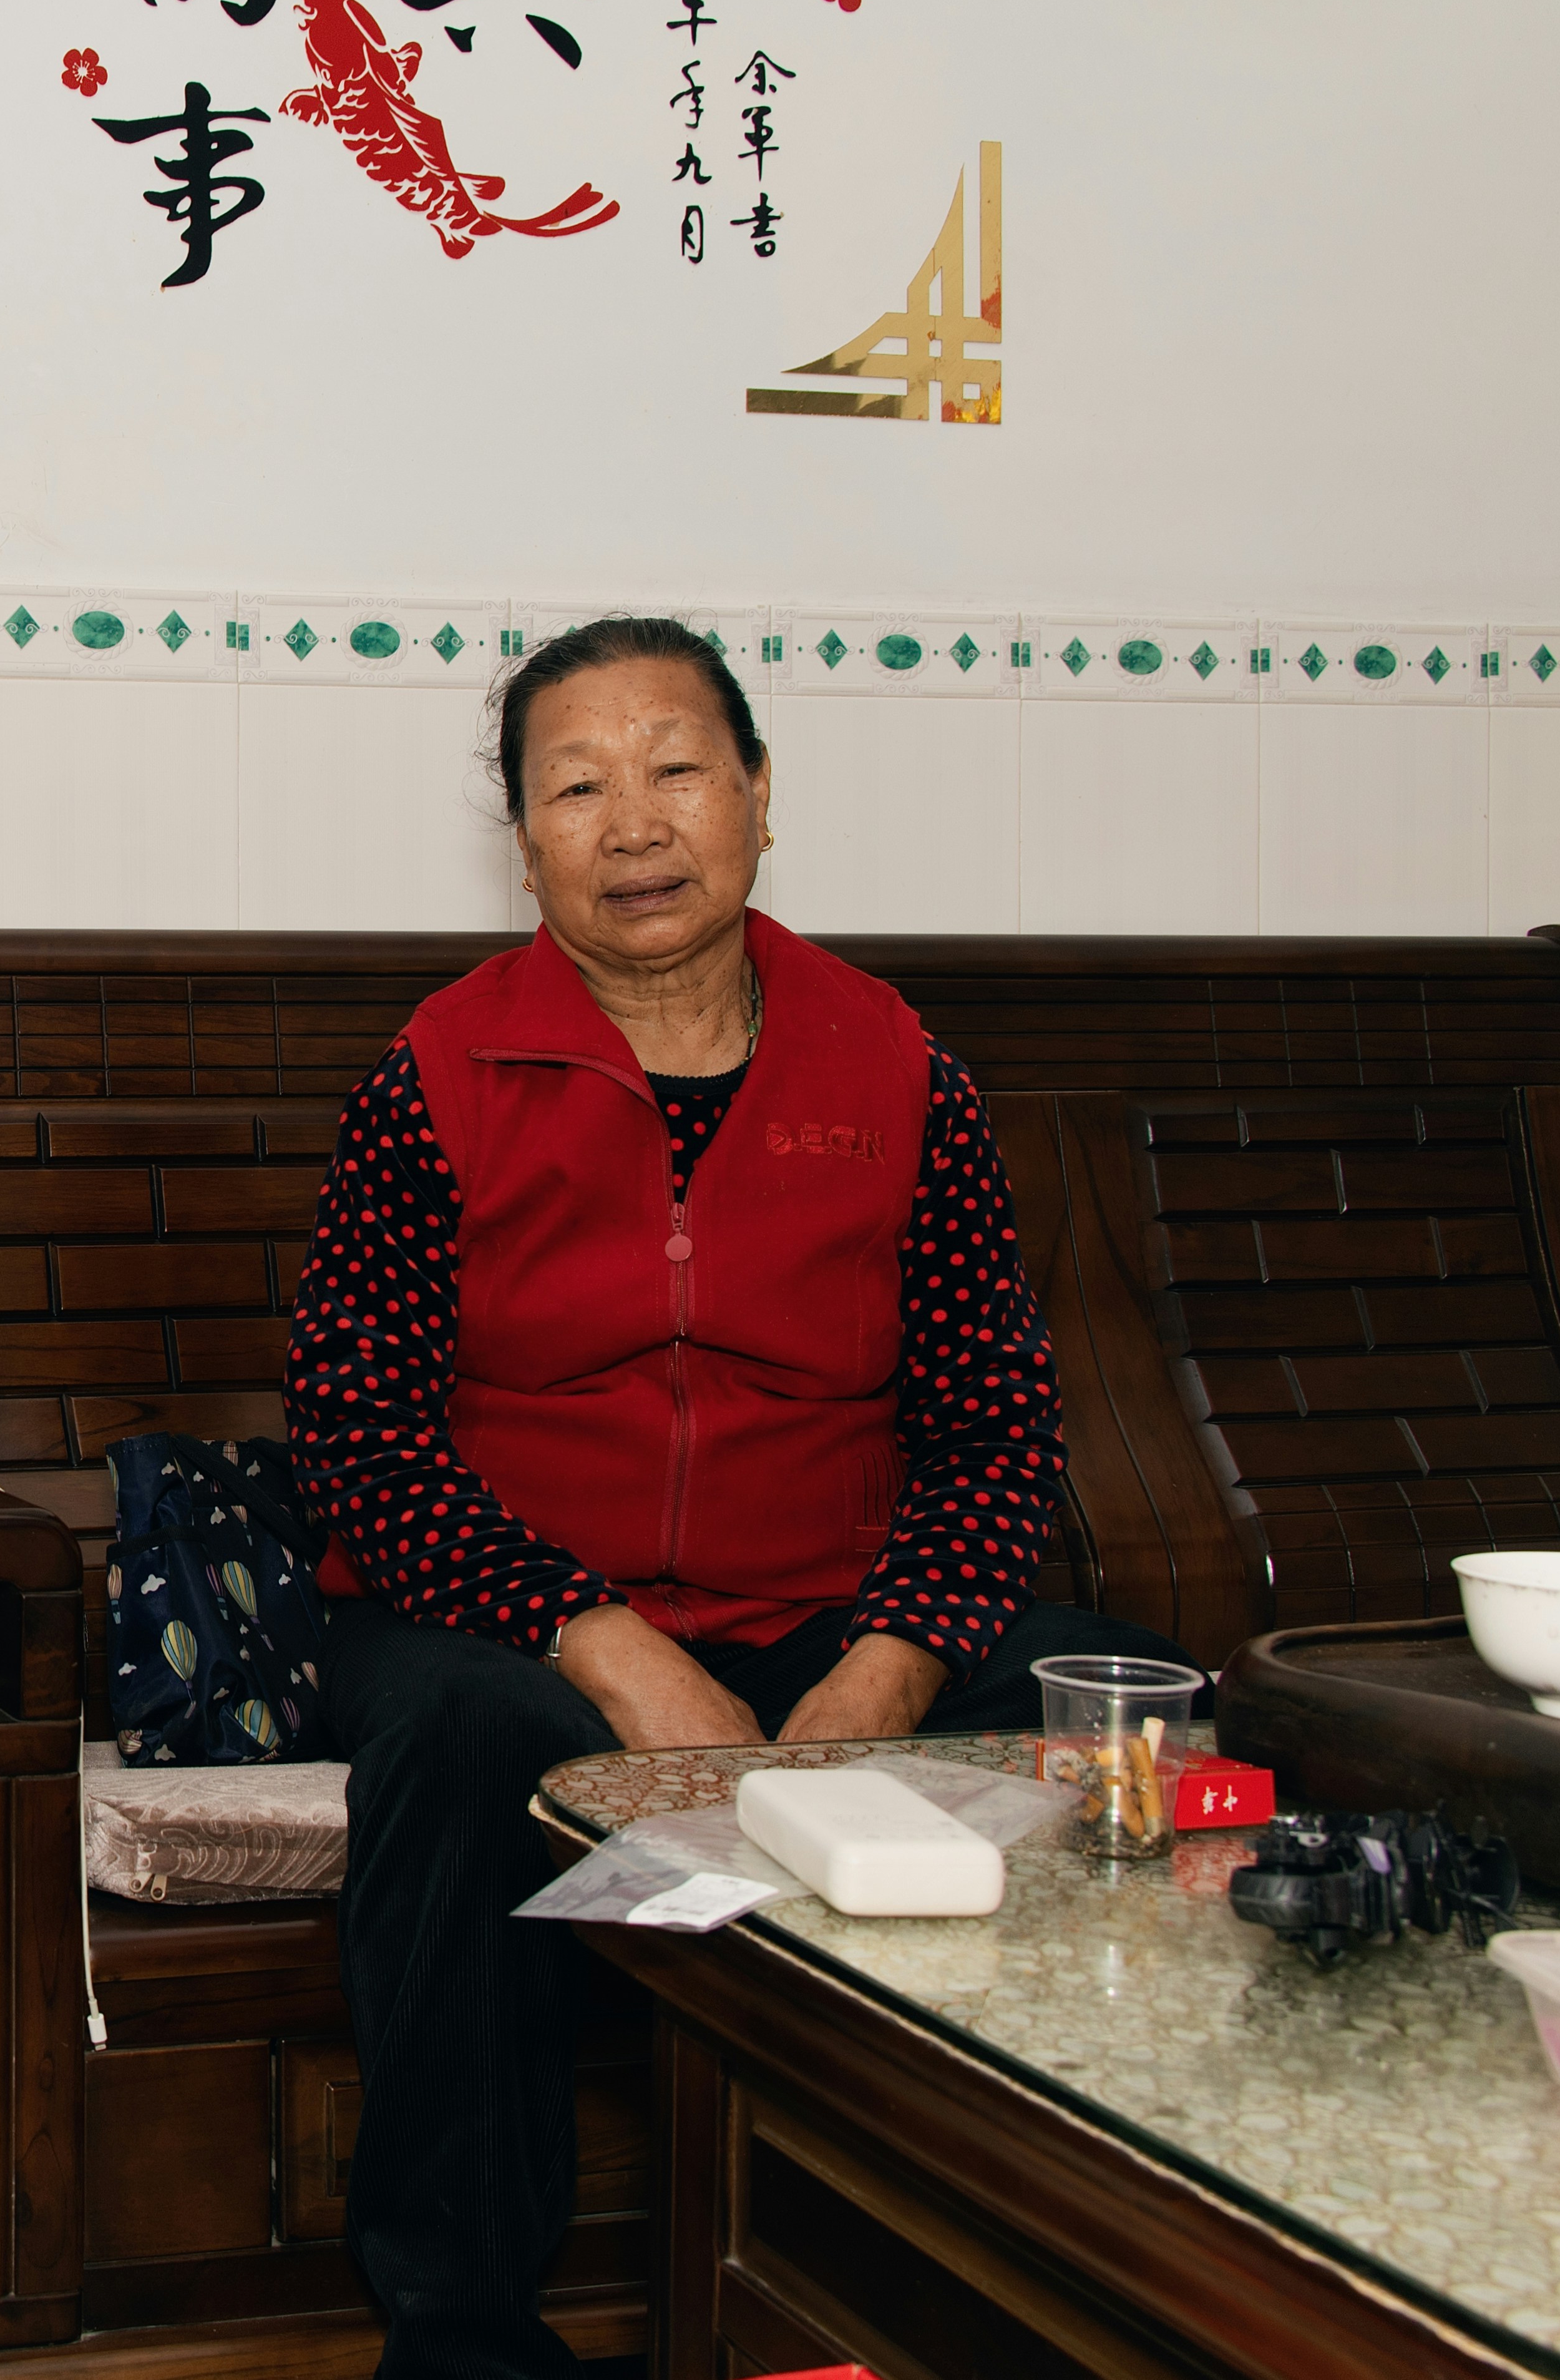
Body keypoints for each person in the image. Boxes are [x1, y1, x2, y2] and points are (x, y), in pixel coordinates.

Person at [281, 615, 1191, 2380]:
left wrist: (885, 1672)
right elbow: (361, 1436)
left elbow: (999, 1430)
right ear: (523, 842)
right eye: (577, 787)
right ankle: (465, 2337)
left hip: (823, 1621)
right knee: (466, 1745)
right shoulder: (438, 1077)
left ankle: (1035, 2291)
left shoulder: (897, 1067)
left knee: (1123, 1719)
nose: (635, 824)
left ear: (762, 797)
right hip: (506, 1628)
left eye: (678, 769)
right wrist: (610, 1647)